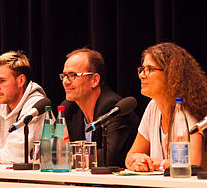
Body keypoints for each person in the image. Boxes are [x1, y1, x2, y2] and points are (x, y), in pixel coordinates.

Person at [125, 42, 207, 172]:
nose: (142, 75)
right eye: (142, 69)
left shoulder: (189, 108)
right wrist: (138, 160)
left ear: (171, 74)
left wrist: (157, 164)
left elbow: (192, 163)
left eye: (150, 69)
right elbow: (130, 156)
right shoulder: (153, 106)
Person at [60, 48, 139, 168]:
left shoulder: (114, 108)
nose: (65, 82)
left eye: (73, 75)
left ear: (94, 80)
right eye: (64, 76)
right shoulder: (68, 108)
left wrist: (69, 157)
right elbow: (54, 151)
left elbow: (110, 158)